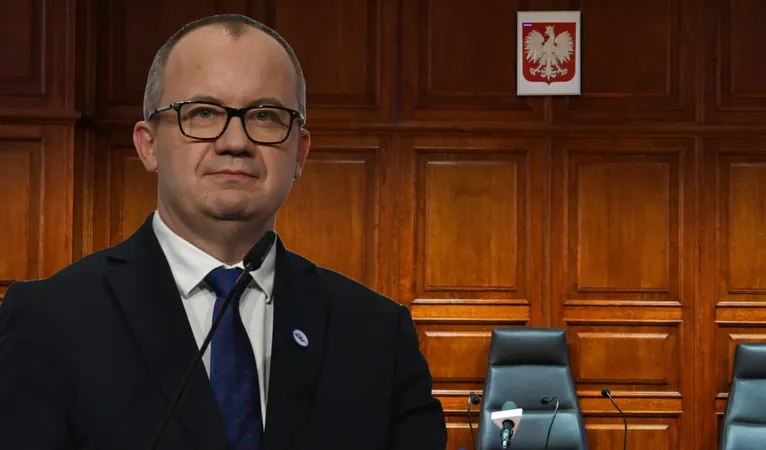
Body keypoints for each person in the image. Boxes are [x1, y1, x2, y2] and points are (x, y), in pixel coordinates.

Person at [0, 14, 447, 450]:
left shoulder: (377, 333)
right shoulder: (48, 320)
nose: (235, 142)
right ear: (148, 145)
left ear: (299, 153)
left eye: (266, 116)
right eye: (203, 113)